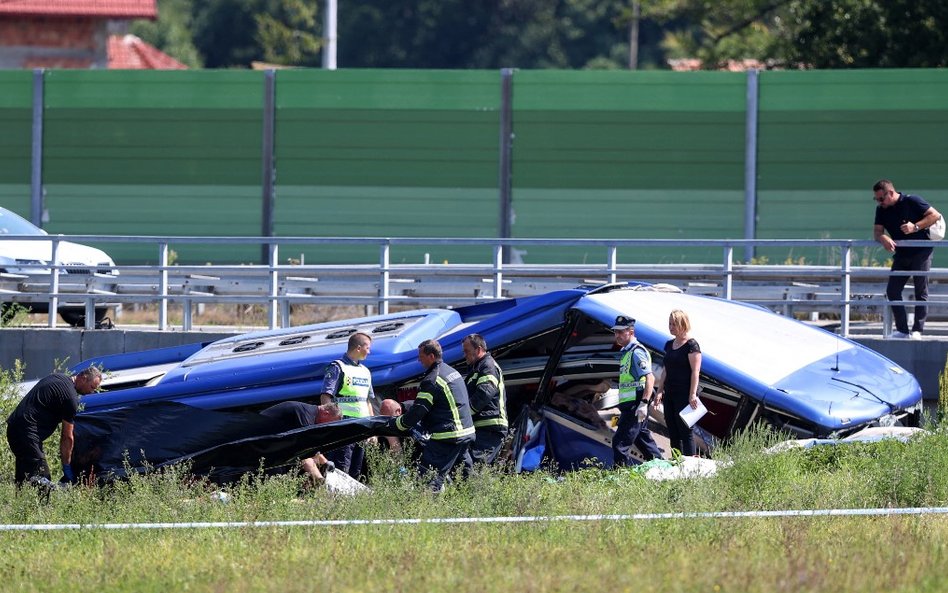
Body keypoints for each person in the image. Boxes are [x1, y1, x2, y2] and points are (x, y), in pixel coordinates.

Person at [387, 339, 475, 491]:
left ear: (431, 356)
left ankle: (426, 513)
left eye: (420, 356)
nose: (418, 359)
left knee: (427, 479)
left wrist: (396, 424)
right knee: (465, 479)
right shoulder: (452, 372)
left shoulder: (431, 380)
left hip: (447, 437)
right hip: (466, 433)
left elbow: (419, 410)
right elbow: (440, 403)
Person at [6, 367, 102, 486]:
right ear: (83, 378)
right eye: (92, 387)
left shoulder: (57, 377)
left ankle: (20, 501)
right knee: (43, 479)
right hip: (27, 433)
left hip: (14, 427)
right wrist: (67, 467)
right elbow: (67, 437)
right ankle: (38, 504)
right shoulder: (70, 398)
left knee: (25, 477)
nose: (91, 392)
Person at [873, 179, 942, 339]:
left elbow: (935, 215)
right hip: (902, 253)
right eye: (876, 199)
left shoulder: (912, 201)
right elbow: (877, 231)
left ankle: (917, 330)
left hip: (922, 251)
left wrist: (915, 226)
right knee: (892, 290)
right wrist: (883, 238)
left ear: (890, 193)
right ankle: (903, 330)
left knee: (921, 290)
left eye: (881, 198)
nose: (879, 202)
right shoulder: (881, 210)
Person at [320, 331, 376, 478]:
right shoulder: (337, 367)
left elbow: (367, 401)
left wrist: (373, 429)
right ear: (358, 348)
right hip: (343, 424)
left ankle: (351, 500)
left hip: (362, 425)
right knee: (341, 466)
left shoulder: (366, 371)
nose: (369, 352)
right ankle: (336, 500)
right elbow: (326, 396)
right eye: (368, 348)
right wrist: (330, 424)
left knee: (356, 469)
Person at [609, 316, 663, 466]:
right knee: (643, 440)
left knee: (620, 443)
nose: (617, 335)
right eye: (615, 332)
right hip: (630, 403)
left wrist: (644, 403)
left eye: (621, 332)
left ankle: (621, 477)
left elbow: (650, 378)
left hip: (635, 404)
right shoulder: (627, 352)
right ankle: (662, 468)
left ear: (631, 331)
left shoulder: (636, 352)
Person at [258, 401, 342, 484]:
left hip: (270, 443)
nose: (329, 427)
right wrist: (320, 480)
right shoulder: (305, 417)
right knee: (277, 476)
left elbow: (311, 448)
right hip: (258, 443)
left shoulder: (310, 413)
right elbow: (304, 455)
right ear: (326, 413)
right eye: (331, 423)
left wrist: (325, 462)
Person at [655, 309, 702, 457]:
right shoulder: (669, 344)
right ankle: (676, 461)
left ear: (683, 324)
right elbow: (665, 370)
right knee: (673, 431)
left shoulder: (691, 345)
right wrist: (660, 391)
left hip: (684, 394)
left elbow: (695, 372)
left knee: (685, 430)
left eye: (674, 324)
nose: (670, 327)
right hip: (670, 393)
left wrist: (692, 394)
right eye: (669, 324)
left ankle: (690, 463)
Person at [461, 333, 508, 469]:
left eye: (467, 351)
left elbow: (484, 394)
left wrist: (463, 415)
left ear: (479, 349)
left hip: (490, 426)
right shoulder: (478, 368)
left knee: (475, 467)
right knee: (471, 467)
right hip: (483, 426)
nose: (465, 355)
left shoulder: (488, 366)